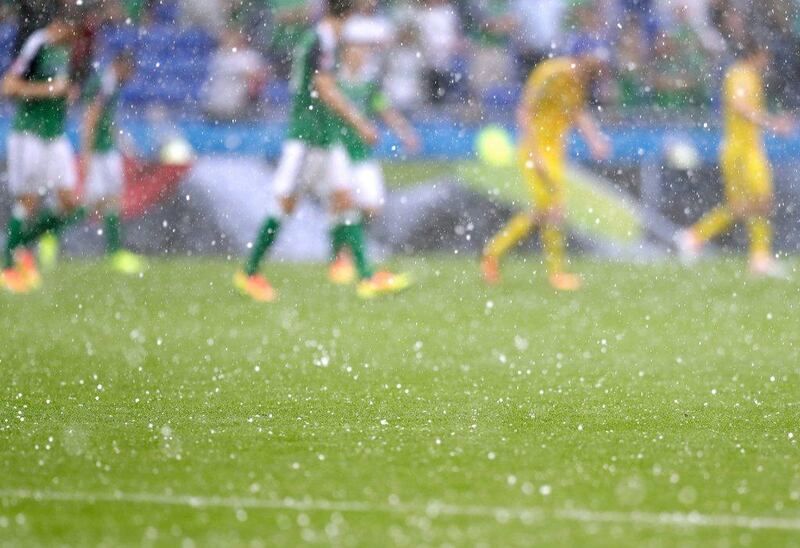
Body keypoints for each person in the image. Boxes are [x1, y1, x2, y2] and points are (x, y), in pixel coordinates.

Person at [234, 0, 407, 302]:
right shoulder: (320, 41)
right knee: (285, 205)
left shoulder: (322, 41)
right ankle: (250, 272)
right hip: (308, 139)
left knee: (345, 199)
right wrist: (359, 121)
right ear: (344, 16)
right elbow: (324, 88)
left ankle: (366, 275)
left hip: (325, 139)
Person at [480, 42, 611, 291]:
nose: (597, 72)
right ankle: (554, 272)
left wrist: (594, 140)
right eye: (594, 65)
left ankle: (494, 252)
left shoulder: (580, 83)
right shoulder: (551, 73)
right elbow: (525, 111)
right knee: (553, 210)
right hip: (536, 151)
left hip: (553, 154)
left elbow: (576, 112)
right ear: (582, 58)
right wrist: (535, 153)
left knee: (547, 212)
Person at [676, 39, 794, 277]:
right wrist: (772, 124)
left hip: (746, 149)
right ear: (757, 53)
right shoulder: (741, 74)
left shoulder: (746, 75)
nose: (768, 61)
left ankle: (697, 238)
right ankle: (698, 237)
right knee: (758, 201)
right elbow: (739, 106)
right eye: (766, 55)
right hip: (741, 151)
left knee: (748, 205)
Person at [328, 25, 420, 286]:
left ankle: (343, 249)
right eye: (355, 50)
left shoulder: (368, 84)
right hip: (338, 150)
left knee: (371, 205)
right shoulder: (334, 80)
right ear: (345, 53)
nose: (360, 55)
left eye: (364, 51)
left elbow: (385, 109)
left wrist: (404, 132)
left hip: (361, 152)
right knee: (343, 200)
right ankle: (343, 259)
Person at [1, 12, 85, 293]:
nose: (74, 38)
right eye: (72, 31)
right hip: (30, 133)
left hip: (55, 134)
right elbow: (8, 86)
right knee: (28, 200)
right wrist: (48, 90)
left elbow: (63, 87)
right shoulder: (37, 44)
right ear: (58, 25)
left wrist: (66, 95)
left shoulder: (66, 50)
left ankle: (18, 246)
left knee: (70, 202)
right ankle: (8, 267)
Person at [81, 50, 147, 275]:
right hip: (99, 152)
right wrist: (87, 153)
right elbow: (91, 116)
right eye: (129, 71)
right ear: (121, 66)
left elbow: (106, 119)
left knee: (111, 200)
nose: (130, 76)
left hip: (107, 149)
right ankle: (51, 235)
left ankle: (115, 251)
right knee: (91, 202)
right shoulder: (105, 83)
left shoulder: (112, 83)